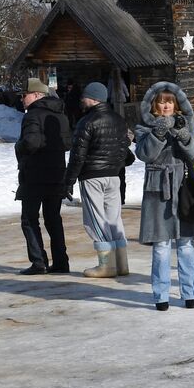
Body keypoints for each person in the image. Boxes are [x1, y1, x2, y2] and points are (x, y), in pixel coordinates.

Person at [134, 83, 194, 311]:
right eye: (161, 101)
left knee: (186, 245)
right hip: (158, 191)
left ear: (176, 104)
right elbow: (145, 154)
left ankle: (189, 294)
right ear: (154, 106)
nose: (166, 105)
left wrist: (185, 136)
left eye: (170, 101)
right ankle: (161, 295)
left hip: (184, 189)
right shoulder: (143, 128)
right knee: (161, 246)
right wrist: (158, 132)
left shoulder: (186, 123)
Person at [65, 82, 133, 278]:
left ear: (93, 98)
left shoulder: (86, 122)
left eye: (84, 97)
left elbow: (78, 155)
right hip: (114, 176)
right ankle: (121, 262)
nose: (81, 101)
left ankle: (106, 265)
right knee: (114, 219)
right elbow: (124, 150)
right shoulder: (119, 120)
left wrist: (69, 180)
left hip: (92, 176)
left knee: (94, 220)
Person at [15, 78, 71, 275]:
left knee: (29, 219)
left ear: (37, 95)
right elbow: (67, 143)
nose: (22, 99)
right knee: (53, 218)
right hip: (56, 173)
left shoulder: (33, 115)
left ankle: (39, 261)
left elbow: (31, 142)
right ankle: (61, 261)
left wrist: (18, 147)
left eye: (25, 95)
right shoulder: (60, 115)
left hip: (35, 175)